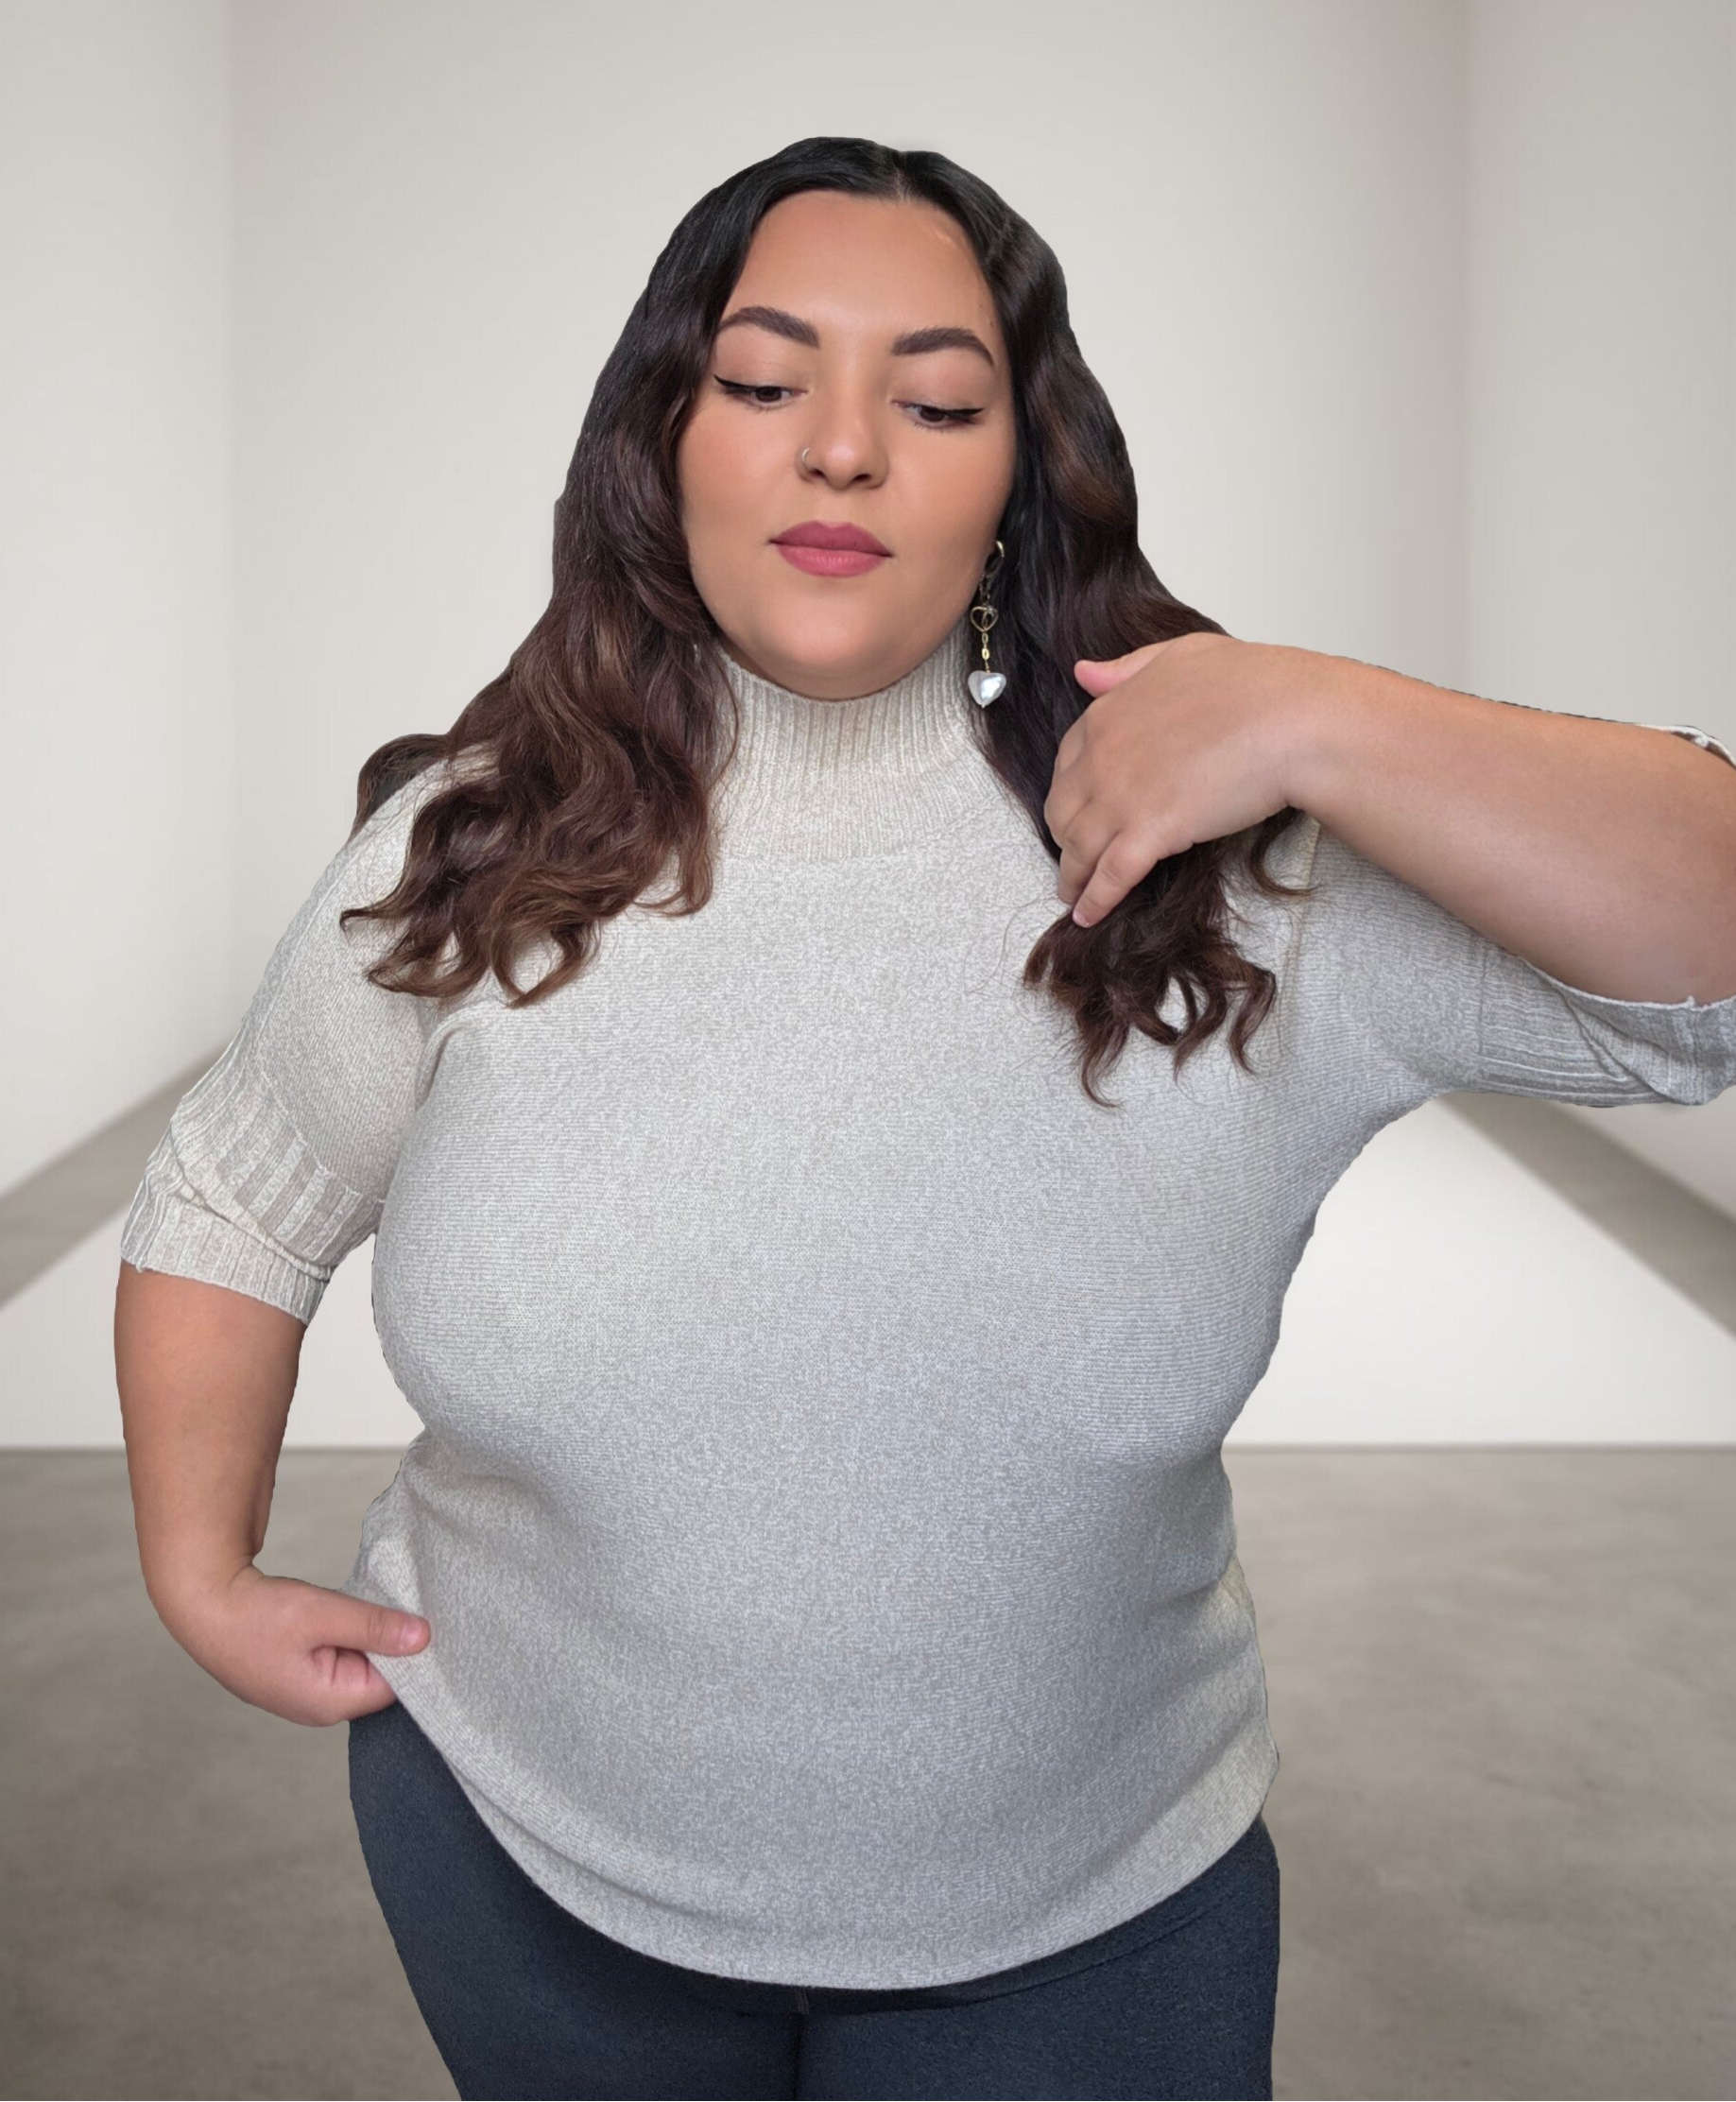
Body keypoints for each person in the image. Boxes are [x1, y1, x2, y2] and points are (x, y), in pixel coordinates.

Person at [113, 136, 1736, 2102]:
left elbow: (1706, 978)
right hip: (517, 1859)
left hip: (1089, 1921)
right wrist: (200, 1564)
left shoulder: (1227, 872)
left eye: (940, 402)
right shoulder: (482, 843)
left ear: (1021, 476)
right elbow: (241, 1189)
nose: (842, 450)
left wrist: (1323, 714)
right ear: (663, 442)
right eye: (764, 380)